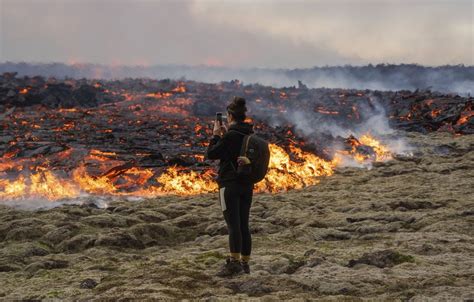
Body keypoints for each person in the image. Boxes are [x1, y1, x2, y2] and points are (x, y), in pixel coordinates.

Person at [206, 96, 254, 277]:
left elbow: (211, 154)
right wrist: (225, 135)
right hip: (247, 185)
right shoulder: (249, 134)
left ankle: (233, 264)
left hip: (229, 185)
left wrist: (216, 136)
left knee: (233, 225)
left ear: (230, 116)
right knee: (244, 225)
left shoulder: (231, 136)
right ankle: (245, 263)